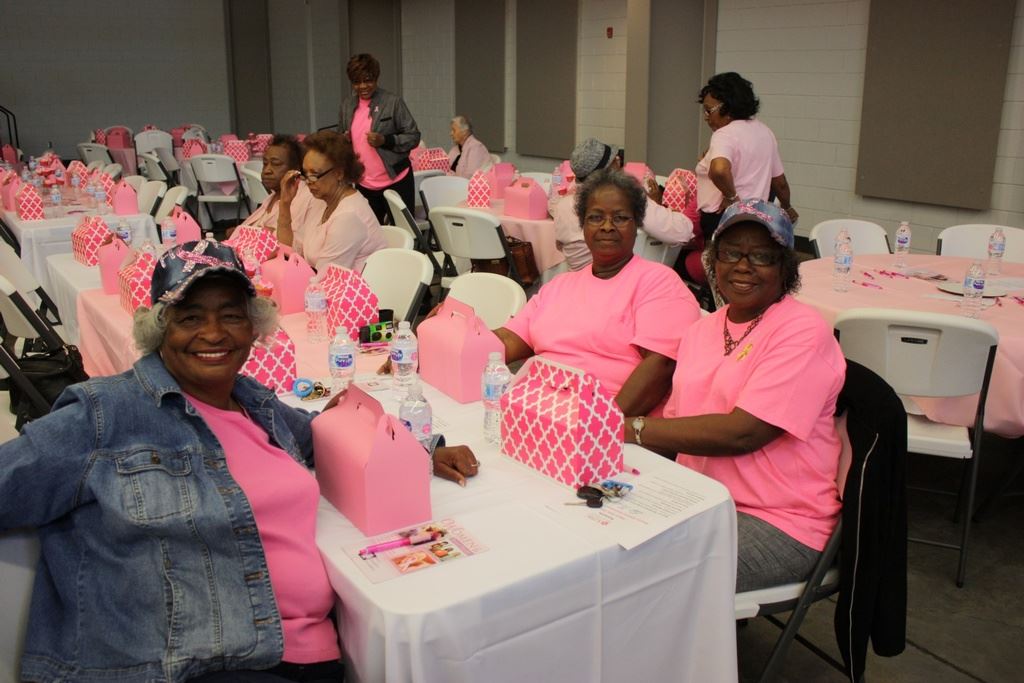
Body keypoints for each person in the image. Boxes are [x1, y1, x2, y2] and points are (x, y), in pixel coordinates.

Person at [0, 240, 479, 682]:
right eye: (189, 317)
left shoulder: (255, 402)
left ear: (254, 327)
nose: (213, 333)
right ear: (158, 328)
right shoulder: (104, 413)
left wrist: (423, 448)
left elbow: (324, 433)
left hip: (317, 652)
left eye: (231, 316)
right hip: (193, 663)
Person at [624, 200, 844, 592]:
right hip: (698, 500)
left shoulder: (802, 331)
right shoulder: (700, 331)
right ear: (713, 261)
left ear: (785, 267)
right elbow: (677, 432)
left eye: (762, 255)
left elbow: (744, 433)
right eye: (731, 253)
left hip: (779, 519)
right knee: (595, 540)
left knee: (641, 577)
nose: (743, 266)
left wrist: (629, 429)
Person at [499, 167, 701, 415]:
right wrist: (457, 333)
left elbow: (660, 366)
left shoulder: (658, 282)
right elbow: (510, 340)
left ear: (637, 223)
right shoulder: (559, 286)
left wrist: (600, 426)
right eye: (595, 217)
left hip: (606, 426)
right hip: (539, 411)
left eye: (620, 217)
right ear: (582, 225)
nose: (607, 226)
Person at [550, 138, 693, 271]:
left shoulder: (560, 206)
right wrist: (662, 208)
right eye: (615, 160)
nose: (619, 162)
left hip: (577, 284)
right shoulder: (625, 199)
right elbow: (681, 232)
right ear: (609, 170)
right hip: (624, 284)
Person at [695, 72, 798, 245]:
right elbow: (779, 182)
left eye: (708, 110)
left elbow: (719, 170)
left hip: (722, 216)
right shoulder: (765, 132)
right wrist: (787, 207)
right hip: (758, 218)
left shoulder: (724, 134)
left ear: (726, 108)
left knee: (719, 267)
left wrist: (732, 198)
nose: (706, 116)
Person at [278, 130, 387, 273]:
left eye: (315, 174)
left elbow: (324, 280)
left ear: (339, 173)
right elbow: (291, 252)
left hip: (350, 291)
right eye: (304, 173)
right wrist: (285, 203)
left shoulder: (349, 217)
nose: (308, 182)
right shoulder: (321, 201)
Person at [338, 53, 421, 225]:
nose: (363, 86)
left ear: (376, 78)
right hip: (365, 184)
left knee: (406, 232)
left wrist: (386, 140)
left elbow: (413, 136)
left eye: (368, 80)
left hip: (396, 180)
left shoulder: (392, 102)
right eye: (357, 82)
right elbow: (342, 137)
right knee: (371, 238)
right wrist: (344, 140)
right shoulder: (347, 106)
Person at [229, 134, 322, 240]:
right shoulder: (273, 196)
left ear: (295, 167)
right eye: (265, 163)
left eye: (276, 164)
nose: (267, 170)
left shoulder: (305, 197)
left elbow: (297, 243)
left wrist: (259, 233)